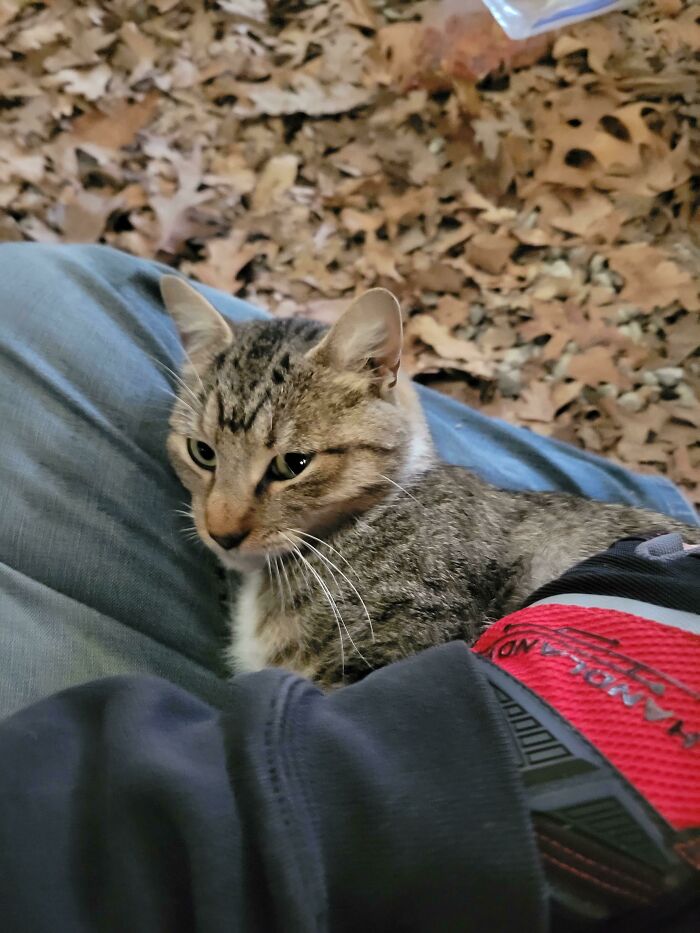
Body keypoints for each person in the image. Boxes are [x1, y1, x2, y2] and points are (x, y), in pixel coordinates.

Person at [0, 244, 696, 931]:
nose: (223, 518)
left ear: (378, 374)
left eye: (292, 463)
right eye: (204, 455)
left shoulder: (413, 545)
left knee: (33, 292)